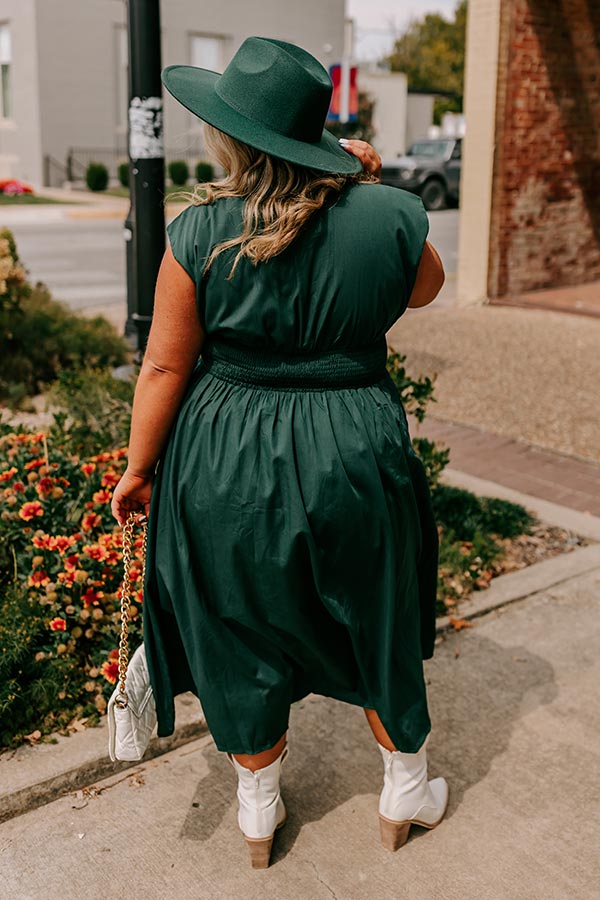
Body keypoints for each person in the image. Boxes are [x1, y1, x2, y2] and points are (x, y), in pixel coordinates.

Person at [111, 36, 447, 869]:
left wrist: (138, 468)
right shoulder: (389, 216)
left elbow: (163, 363)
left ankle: (258, 811)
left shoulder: (199, 232)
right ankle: (406, 786)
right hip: (353, 444)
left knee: (239, 620)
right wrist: (363, 188)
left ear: (232, 136)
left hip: (226, 451)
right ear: (316, 134)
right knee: (376, 613)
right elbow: (427, 285)